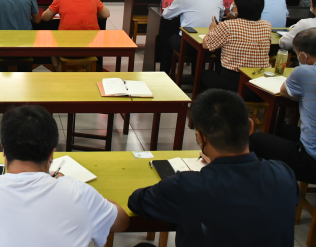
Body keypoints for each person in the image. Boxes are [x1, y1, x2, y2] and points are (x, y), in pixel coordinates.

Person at [128, 89, 298, 247]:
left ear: (200, 138)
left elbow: (136, 201)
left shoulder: (186, 186)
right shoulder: (284, 175)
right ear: (250, 127)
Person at [0, 105, 129, 247]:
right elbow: (121, 222)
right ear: (51, 154)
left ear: (4, 151)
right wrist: (73, 186)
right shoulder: (79, 193)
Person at [251, 28, 316, 183]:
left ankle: (264, 185)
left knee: (255, 140)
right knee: (285, 131)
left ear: (303, 56)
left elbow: (284, 92)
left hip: (311, 161)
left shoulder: (304, 72)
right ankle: (280, 177)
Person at [201, 0, 271, 93]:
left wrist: (212, 29)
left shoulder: (228, 25)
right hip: (259, 83)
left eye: (233, 4)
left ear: (237, 9)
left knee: (202, 75)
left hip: (233, 82)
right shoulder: (267, 25)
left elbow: (206, 45)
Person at [160, 0, 224, 74]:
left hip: (188, 46)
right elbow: (219, 17)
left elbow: (166, 15)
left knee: (166, 39)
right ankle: (196, 76)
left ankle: (164, 74)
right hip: (211, 44)